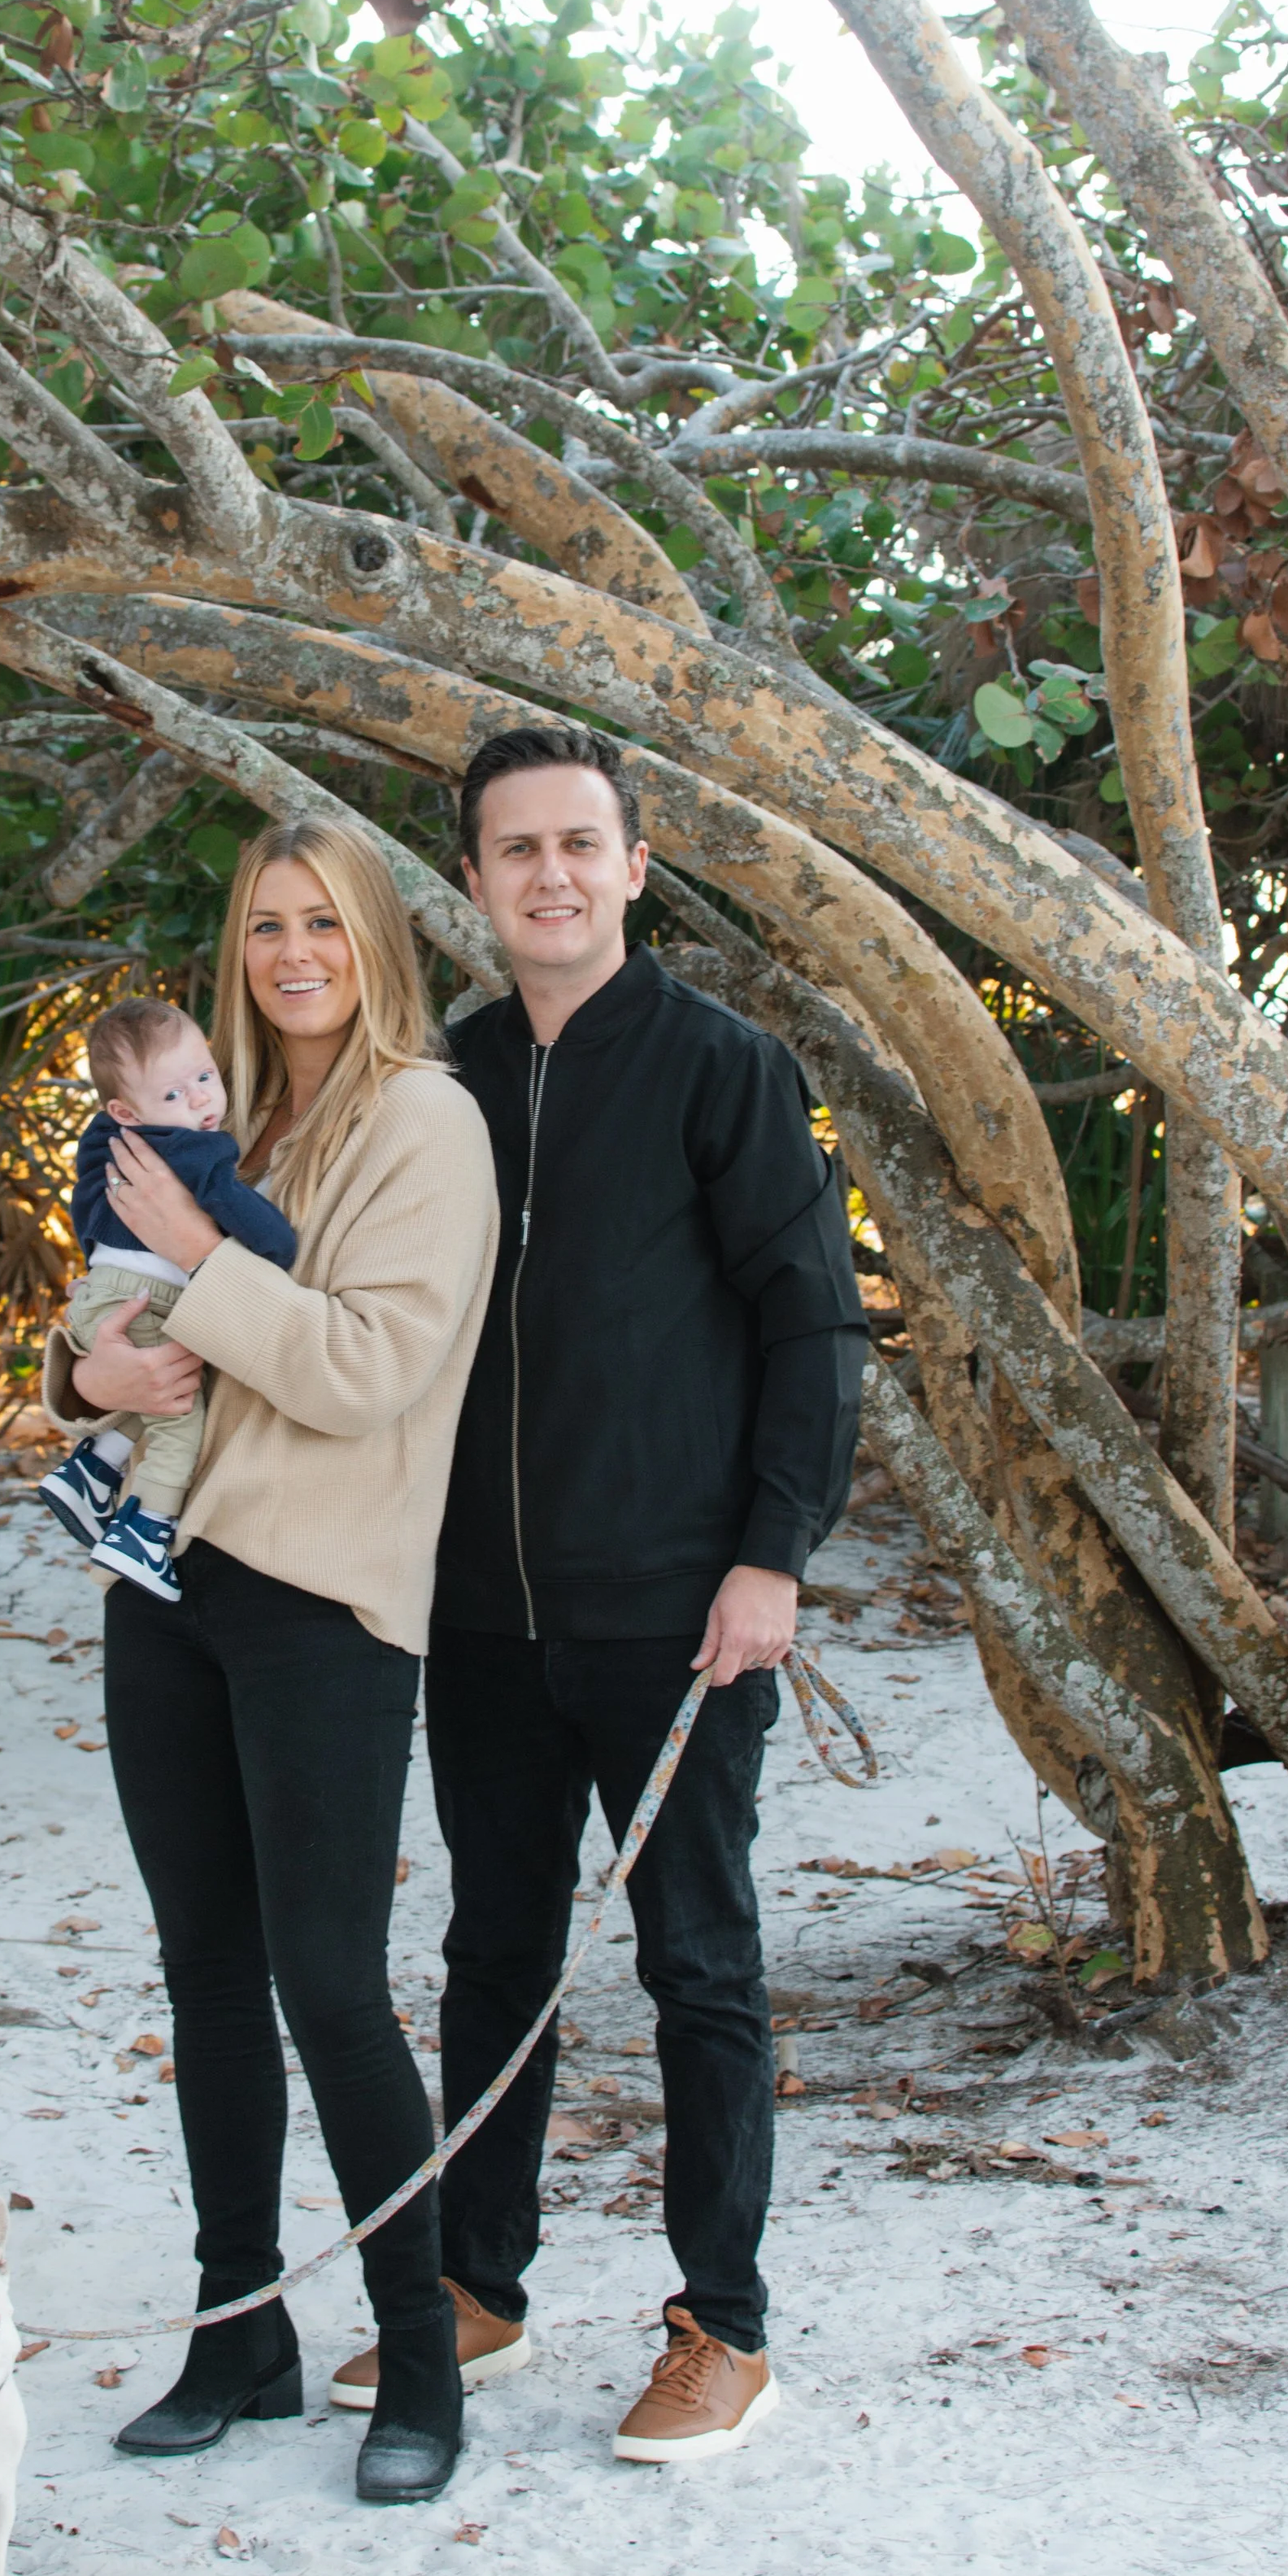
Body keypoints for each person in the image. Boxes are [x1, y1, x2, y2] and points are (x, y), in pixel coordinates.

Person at [330, 723, 867, 2465]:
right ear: (474, 880)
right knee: (493, 1953)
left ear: (632, 868)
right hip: (481, 1615)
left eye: (581, 845)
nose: (550, 875)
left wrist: (770, 1557)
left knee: (696, 1959)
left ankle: (724, 2326)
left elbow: (808, 1327)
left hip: (675, 1612)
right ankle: (477, 2285)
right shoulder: (441, 1081)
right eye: (515, 850)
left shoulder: (724, 1071)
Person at [58, 814, 499, 2505]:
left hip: (322, 1590)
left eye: (321, 922)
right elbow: (100, 1308)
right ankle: (236, 2335)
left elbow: (370, 1366)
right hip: (165, 1586)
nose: (291, 954)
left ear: (373, 938)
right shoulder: (210, 1110)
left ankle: (421, 2353)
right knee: (206, 1978)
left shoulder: (423, 1121)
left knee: (328, 1982)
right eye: (261, 925)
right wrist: (83, 1383)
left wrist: (195, 1262)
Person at [36, 996, 297, 1602]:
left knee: (149, 1386)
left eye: (205, 1077)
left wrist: (93, 1267)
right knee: (178, 1416)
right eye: (175, 1095)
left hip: (104, 1288)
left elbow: (85, 1202)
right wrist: (278, 1245)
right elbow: (256, 1227)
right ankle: (146, 1530)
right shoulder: (196, 1151)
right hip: (147, 1295)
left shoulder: (106, 1137)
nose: (201, 1100)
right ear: (127, 1109)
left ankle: (91, 1470)